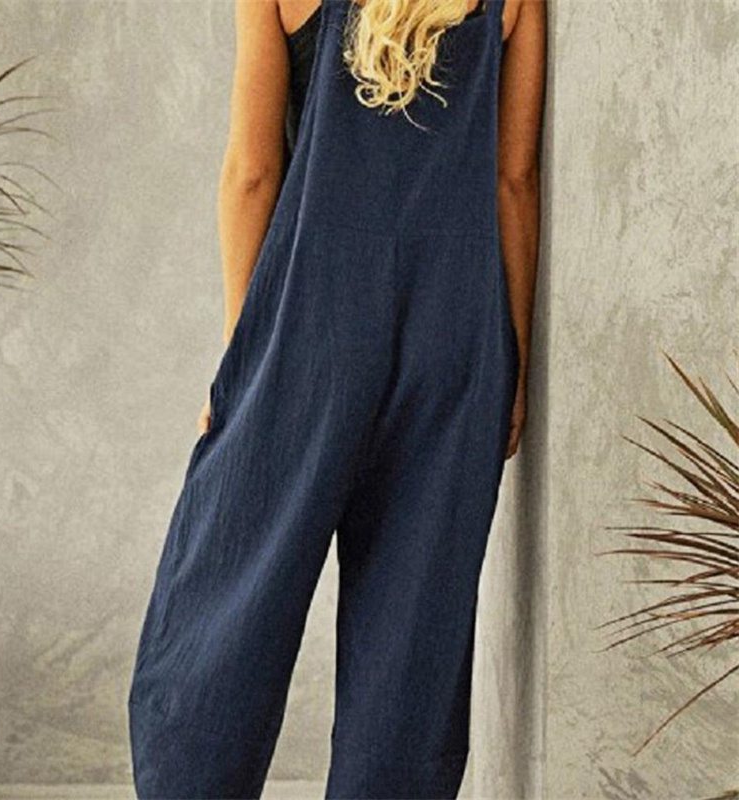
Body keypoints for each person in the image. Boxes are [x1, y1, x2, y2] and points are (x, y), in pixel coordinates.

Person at [128, 0, 545, 797]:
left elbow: (252, 175)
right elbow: (514, 180)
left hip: (311, 329)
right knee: (413, 640)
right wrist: (511, 363)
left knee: (228, 598)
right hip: (455, 339)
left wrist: (244, 357)